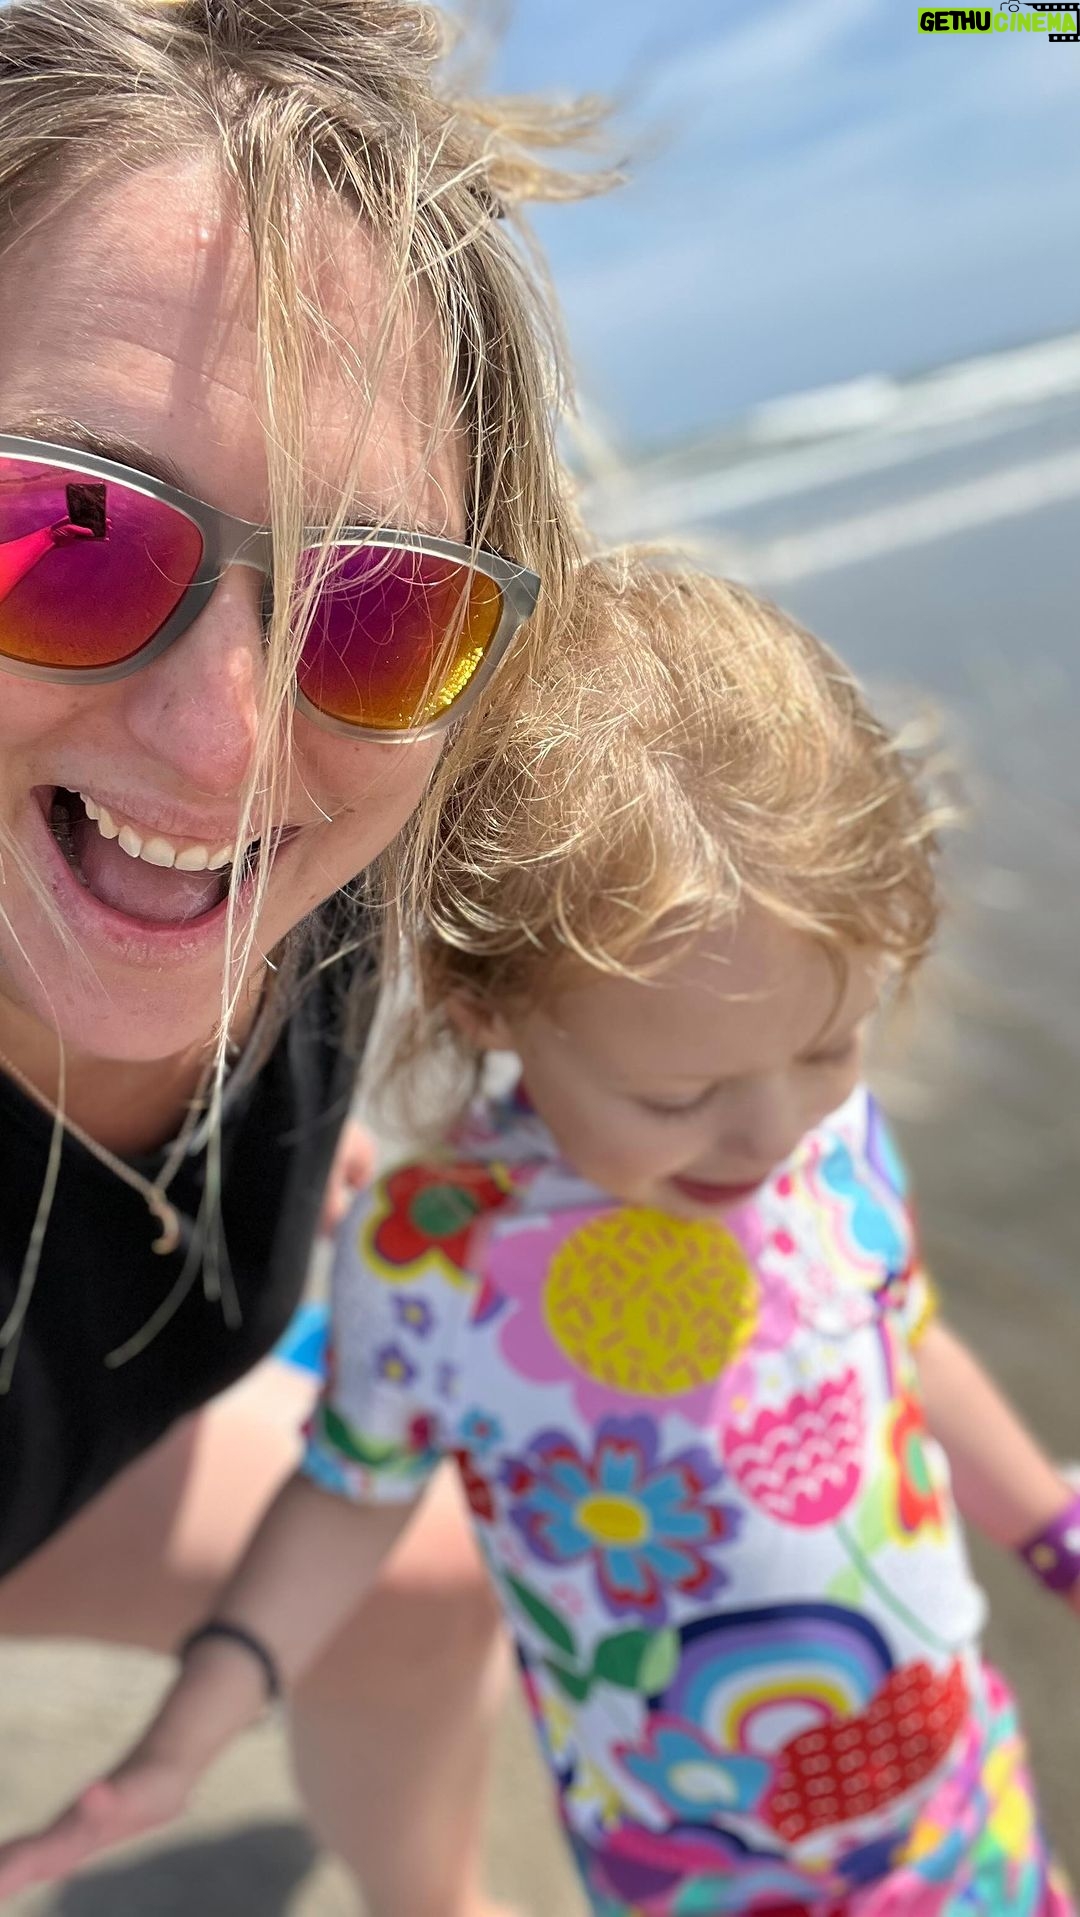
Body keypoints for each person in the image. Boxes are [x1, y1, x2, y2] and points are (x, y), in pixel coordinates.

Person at [4, 555, 1075, 1915]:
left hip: (958, 1797)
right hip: (691, 1867)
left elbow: (903, 1340)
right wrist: (194, 1722)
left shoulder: (830, 1142)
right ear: (489, 1007)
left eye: (830, 1043)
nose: (767, 1132)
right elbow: (350, 1494)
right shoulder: (442, 1259)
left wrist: (1051, 1530)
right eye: (676, 1098)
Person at [0, 1, 610, 1910]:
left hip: (84, 1451)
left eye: (377, 607)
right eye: (64, 538)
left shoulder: (321, 850)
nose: (225, 740)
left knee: (425, 1573)